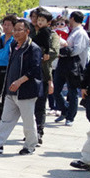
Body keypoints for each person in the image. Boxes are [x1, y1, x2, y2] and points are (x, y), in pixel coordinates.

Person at [0, 19, 42, 155]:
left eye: (19, 30)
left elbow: (35, 70)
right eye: (14, 30)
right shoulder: (14, 46)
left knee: (28, 121)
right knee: (6, 119)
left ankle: (30, 145)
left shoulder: (33, 48)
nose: (15, 33)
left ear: (27, 31)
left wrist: (19, 82)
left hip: (25, 91)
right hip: (10, 90)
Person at [54, 11, 90, 126]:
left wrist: (63, 50)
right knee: (56, 89)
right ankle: (65, 110)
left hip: (74, 65)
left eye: (70, 19)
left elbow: (76, 50)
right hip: (64, 63)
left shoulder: (80, 33)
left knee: (72, 91)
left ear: (73, 18)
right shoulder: (72, 32)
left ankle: (70, 116)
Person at [30, 8, 58, 144]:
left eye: (39, 18)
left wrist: (38, 53)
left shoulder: (51, 35)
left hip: (43, 74)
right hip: (28, 74)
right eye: (34, 17)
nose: (36, 20)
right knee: (28, 105)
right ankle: (30, 131)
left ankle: (39, 132)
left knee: (40, 105)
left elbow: (53, 53)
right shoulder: (28, 32)